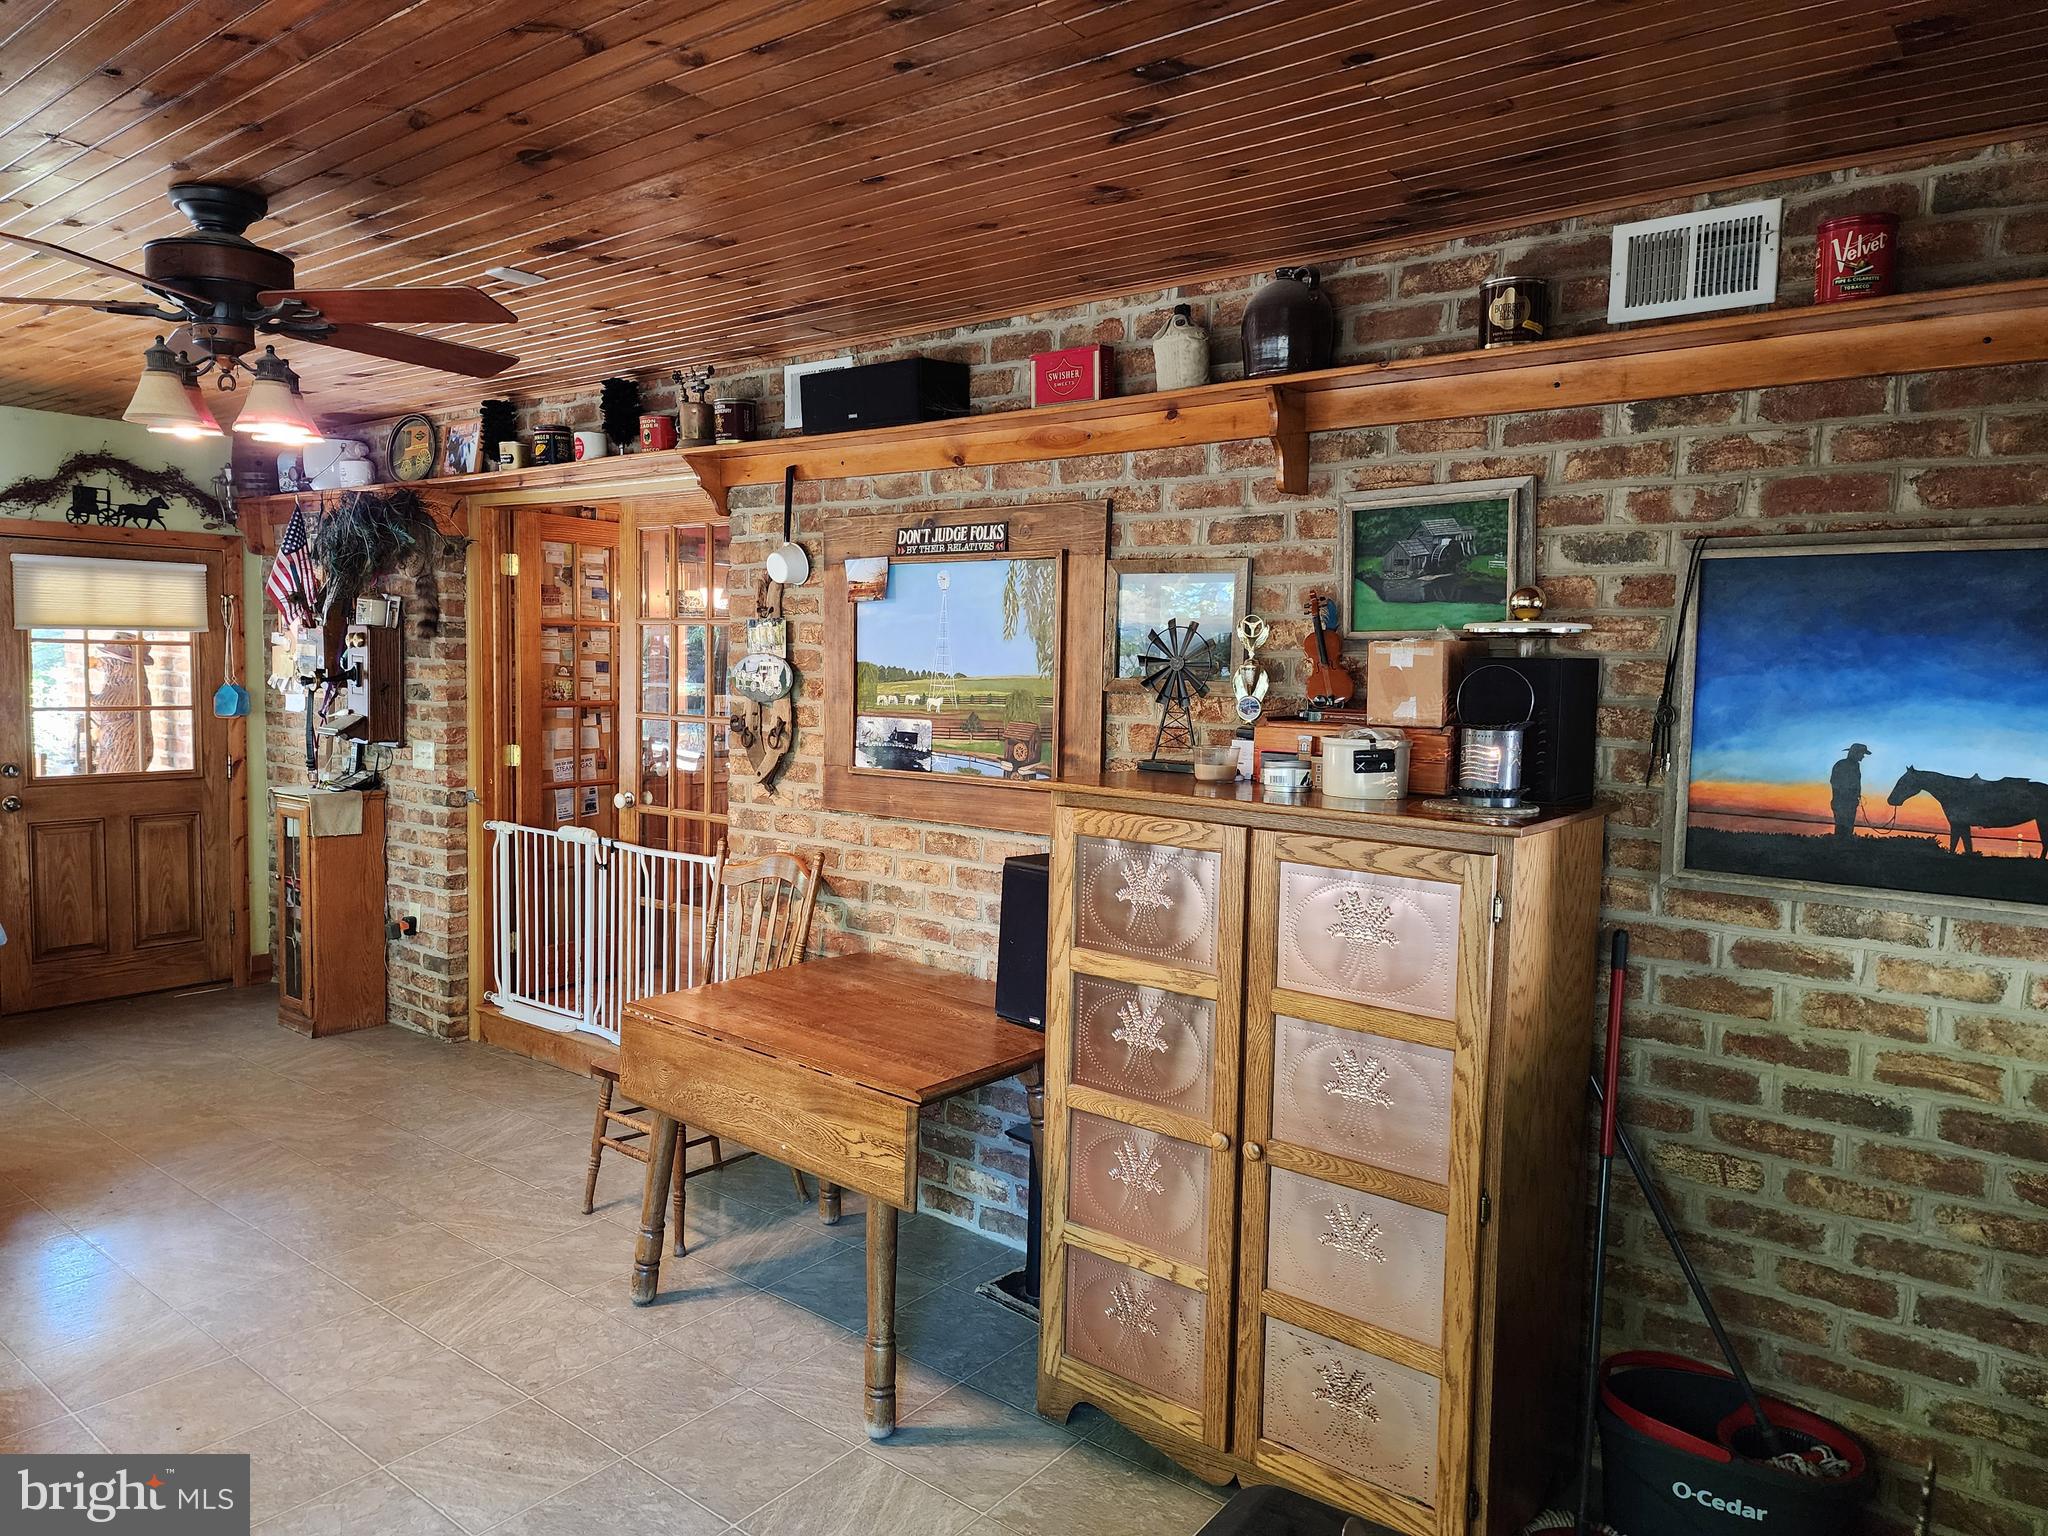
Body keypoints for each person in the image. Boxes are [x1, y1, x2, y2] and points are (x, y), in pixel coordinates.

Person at [1831, 744, 1871, 839]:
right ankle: (1841, 847)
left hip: (1848, 803)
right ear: (1855, 753)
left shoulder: (1853, 765)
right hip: (1842, 803)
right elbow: (1835, 783)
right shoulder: (1842, 765)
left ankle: (1842, 846)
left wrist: (1855, 796)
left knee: (1846, 828)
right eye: (1862, 754)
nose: (1863, 756)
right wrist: (1849, 795)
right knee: (1843, 828)